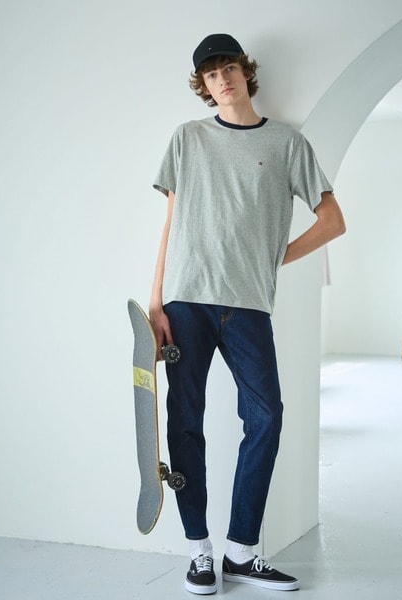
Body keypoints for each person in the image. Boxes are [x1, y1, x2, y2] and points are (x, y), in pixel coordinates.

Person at [149, 33, 345, 595]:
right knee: (184, 421)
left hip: (248, 305)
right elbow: (171, 222)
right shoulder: (187, 138)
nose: (223, 80)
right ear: (204, 86)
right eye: (211, 75)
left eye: (229, 68)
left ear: (245, 71)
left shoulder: (287, 143)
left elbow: (333, 221)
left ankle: (241, 551)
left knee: (266, 419)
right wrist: (155, 301)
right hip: (187, 300)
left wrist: (273, 256)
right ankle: (199, 551)